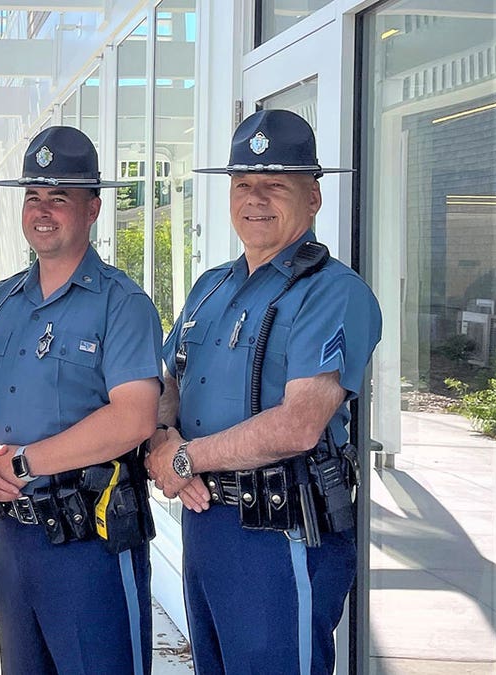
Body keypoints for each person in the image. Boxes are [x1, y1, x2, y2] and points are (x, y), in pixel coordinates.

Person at [145, 109, 382, 674]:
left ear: (314, 198)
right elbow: (168, 380)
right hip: (206, 524)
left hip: (282, 533)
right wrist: (160, 432)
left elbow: (299, 423)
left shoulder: (333, 292)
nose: (255, 199)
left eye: (275, 185)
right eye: (243, 184)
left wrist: (182, 456)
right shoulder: (211, 285)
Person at [0, 126, 161, 674]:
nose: (43, 211)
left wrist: (23, 462)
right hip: (11, 534)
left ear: (92, 209)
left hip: (88, 540)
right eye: (34, 197)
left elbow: (135, 417)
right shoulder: (1, 301)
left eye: (60, 198)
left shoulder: (123, 304)